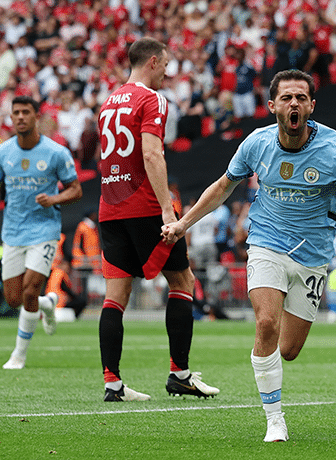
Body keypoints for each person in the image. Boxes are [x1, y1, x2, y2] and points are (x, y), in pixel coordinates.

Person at [162, 69, 336, 442]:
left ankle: (272, 376)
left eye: (301, 98)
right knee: (266, 325)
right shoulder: (256, 143)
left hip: (313, 255)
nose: (295, 104)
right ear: (273, 105)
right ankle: (274, 419)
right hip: (266, 244)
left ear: (311, 106)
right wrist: (183, 224)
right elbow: (221, 189)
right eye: (287, 97)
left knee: (289, 350)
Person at [96, 37, 219, 403]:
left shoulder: (108, 101)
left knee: (114, 296)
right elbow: (152, 154)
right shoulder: (152, 99)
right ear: (152, 61)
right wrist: (168, 209)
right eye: (165, 64)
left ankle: (113, 383)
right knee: (183, 280)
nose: (168, 71)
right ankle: (179, 374)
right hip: (145, 204)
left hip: (109, 206)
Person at [0, 95, 82, 369]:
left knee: (28, 292)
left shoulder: (55, 153)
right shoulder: (2, 153)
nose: (20, 117)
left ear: (37, 116)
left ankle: (19, 355)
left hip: (44, 229)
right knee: (13, 299)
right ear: (11, 117)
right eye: (16, 113)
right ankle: (47, 304)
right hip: (13, 231)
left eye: (26, 112)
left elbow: (76, 189)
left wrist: (54, 199)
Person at [71, 208, 101, 272]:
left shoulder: (94, 227)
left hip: (95, 260)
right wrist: (83, 258)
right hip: (85, 261)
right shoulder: (82, 227)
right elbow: (78, 245)